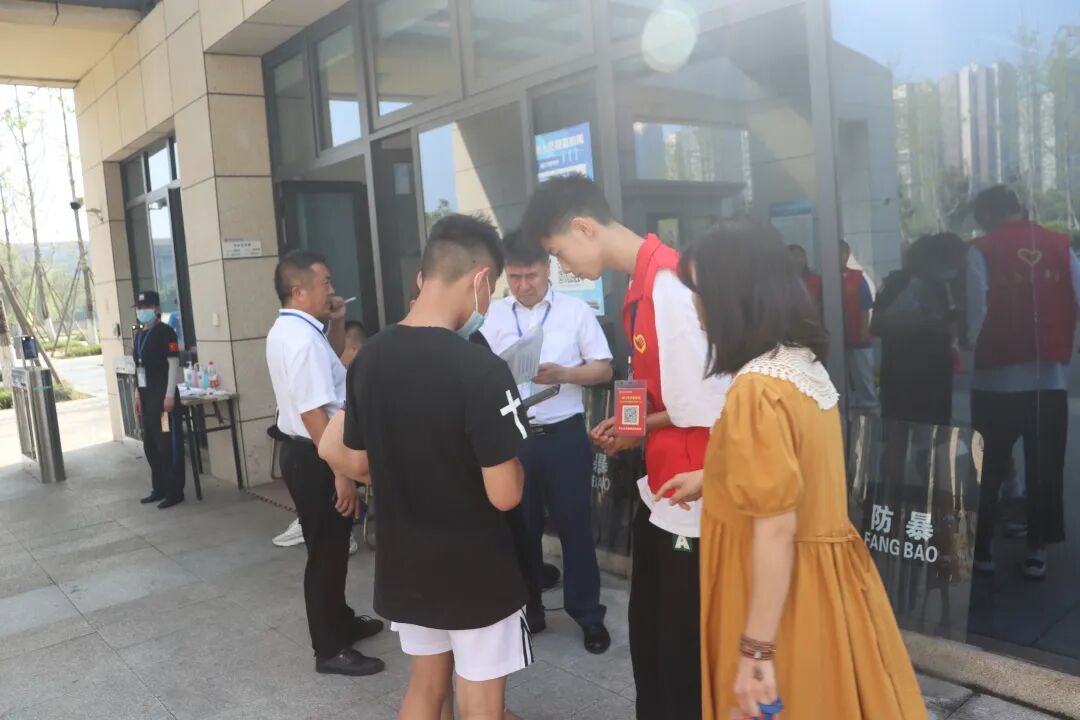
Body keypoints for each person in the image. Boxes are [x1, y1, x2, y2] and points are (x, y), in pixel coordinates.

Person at [680, 218, 926, 720]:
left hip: (776, 594)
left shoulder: (756, 388)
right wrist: (714, 477)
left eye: (701, 291)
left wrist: (756, 651)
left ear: (735, 297)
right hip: (822, 584)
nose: (696, 305)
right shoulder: (799, 363)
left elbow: (775, 527)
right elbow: (796, 473)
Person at [520, 174, 730, 720]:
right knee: (653, 637)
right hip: (664, 486)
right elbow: (647, 377)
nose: (563, 266)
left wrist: (640, 427)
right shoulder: (640, 286)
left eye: (558, 252)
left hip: (694, 496)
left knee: (680, 647)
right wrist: (631, 425)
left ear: (584, 228)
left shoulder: (669, 286)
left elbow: (706, 403)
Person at [320, 214, 532, 720]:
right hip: (475, 566)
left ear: (425, 276)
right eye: (491, 291)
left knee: (426, 687)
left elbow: (343, 450)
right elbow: (505, 494)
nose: (488, 304)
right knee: (480, 700)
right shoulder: (482, 370)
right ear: (480, 279)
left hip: (405, 560)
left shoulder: (369, 359)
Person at [481, 229, 614, 653]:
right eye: (515, 277)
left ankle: (588, 615)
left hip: (563, 436)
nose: (523, 286)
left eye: (531, 276)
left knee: (575, 528)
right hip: (514, 437)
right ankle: (530, 609)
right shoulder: (493, 316)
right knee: (521, 528)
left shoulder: (575, 312)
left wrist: (564, 374)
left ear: (548, 269)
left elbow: (604, 369)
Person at [265, 250, 384, 677]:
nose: (332, 289)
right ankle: (330, 648)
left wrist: (336, 321)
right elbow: (314, 413)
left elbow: (330, 363)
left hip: (311, 451)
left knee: (333, 545)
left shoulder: (296, 329)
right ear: (299, 290)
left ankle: (341, 620)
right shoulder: (298, 339)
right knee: (326, 553)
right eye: (325, 283)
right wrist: (342, 473)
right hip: (316, 454)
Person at [967, 185, 1078, 580]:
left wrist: (966, 348)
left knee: (989, 466)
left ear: (986, 214)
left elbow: (977, 310)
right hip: (1049, 379)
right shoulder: (1060, 245)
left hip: (995, 380)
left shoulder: (980, 249)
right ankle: (1037, 551)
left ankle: (982, 550)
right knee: (1044, 466)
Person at [273, 320, 368, 551]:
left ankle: (339, 527)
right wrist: (341, 473)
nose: (337, 358)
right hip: (319, 449)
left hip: (342, 449)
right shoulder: (303, 340)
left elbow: (313, 412)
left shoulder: (292, 335)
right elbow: (312, 412)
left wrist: (342, 473)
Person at [873, 233, 966, 426]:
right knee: (900, 430)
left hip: (934, 371)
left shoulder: (941, 286)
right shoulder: (898, 283)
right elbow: (877, 325)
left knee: (936, 430)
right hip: (904, 370)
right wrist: (931, 324)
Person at [132, 290, 185, 509]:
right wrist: (137, 394)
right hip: (147, 399)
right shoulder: (139, 335)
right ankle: (159, 488)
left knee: (166, 444)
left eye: (146, 307)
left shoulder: (167, 332)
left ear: (156, 309)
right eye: (139, 308)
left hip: (163, 399)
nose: (142, 311)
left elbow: (173, 364)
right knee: (151, 445)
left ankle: (174, 491)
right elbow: (139, 368)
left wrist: (169, 395)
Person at [840, 240, 879, 411]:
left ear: (847, 254)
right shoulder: (825, 278)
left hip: (858, 334)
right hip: (837, 336)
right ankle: (848, 403)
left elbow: (865, 306)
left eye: (841, 252)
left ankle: (869, 404)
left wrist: (864, 329)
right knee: (842, 375)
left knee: (863, 374)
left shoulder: (857, 278)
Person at [788, 244, 822, 312]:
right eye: (793, 257)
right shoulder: (780, 283)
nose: (797, 260)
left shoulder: (817, 280)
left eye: (800, 256)